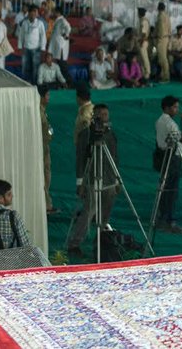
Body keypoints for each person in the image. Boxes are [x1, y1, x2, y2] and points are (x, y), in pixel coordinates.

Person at [66, 104, 118, 256]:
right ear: (94, 115)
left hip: (109, 179)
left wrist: (116, 180)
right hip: (91, 179)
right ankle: (74, 243)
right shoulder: (86, 134)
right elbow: (81, 158)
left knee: (106, 211)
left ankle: (102, 240)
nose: (103, 117)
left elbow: (114, 157)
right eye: (100, 114)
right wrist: (80, 182)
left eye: (106, 114)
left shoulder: (110, 134)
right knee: (90, 210)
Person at [154, 95, 182, 234]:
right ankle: (169, 221)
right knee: (171, 191)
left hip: (168, 156)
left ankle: (163, 219)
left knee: (167, 190)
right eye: (175, 107)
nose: (177, 110)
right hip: (171, 158)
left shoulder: (163, 121)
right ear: (167, 107)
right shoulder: (168, 123)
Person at [0, 180, 32, 249]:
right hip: (10, 259)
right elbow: (26, 246)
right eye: (9, 194)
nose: (12, 196)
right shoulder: (13, 216)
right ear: (0, 198)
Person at [15, 6, 47, 84]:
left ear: (36, 14)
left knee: (35, 68)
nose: (33, 15)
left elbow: (43, 36)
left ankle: (34, 84)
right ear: (28, 14)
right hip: (26, 48)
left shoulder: (40, 23)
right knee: (25, 67)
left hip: (36, 49)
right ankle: (26, 83)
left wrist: (43, 48)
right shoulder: (24, 23)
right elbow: (21, 35)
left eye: (34, 13)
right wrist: (19, 46)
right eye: (31, 13)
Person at [39, 87, 56, 213]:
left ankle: (47, 203)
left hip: (45, 145)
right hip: (41, 147)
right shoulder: (39, 111)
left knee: (47, 174)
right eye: (47, 95)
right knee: (44, 175)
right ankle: (45, 205)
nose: (49, 98)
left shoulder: (42, 111)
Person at [154, 2, 172, 82]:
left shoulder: (160, 16)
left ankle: (166, 76)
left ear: (158, 8)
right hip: (166, 37)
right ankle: (162, 75)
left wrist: (159, 38)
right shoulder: (167, 16)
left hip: (161, 38)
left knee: (162, 59)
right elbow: (169, 27)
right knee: (163, 58)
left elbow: (160, 28)